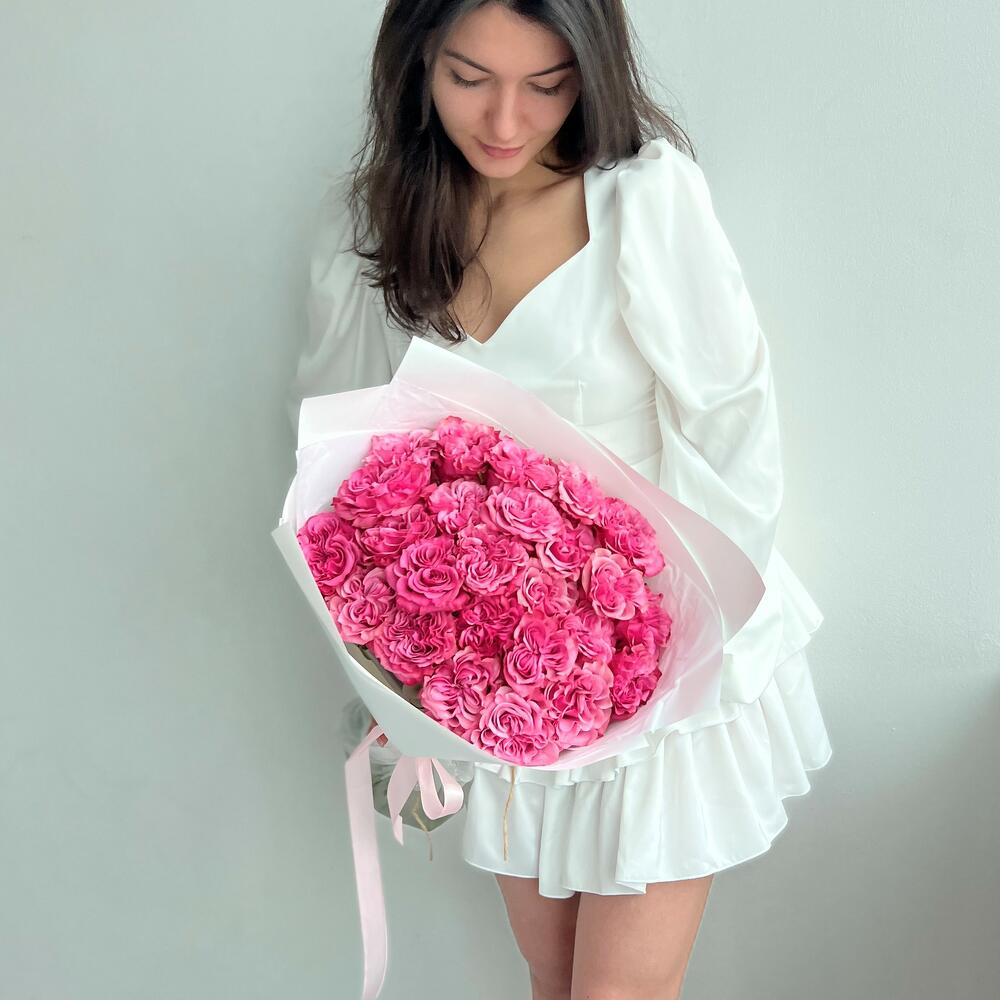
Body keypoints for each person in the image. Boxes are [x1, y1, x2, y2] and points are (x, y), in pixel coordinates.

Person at [287, 2, 832, 998]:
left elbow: (731, 422)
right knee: (551, 975)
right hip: (497, 670)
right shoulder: (371, 222)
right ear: (416, 65)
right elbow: (339, 454)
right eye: (468, 79)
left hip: (664, 653)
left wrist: (673, 651)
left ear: (589, 71)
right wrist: (397, 667)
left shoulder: (642, 198)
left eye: (546, 85)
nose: (505, 121)